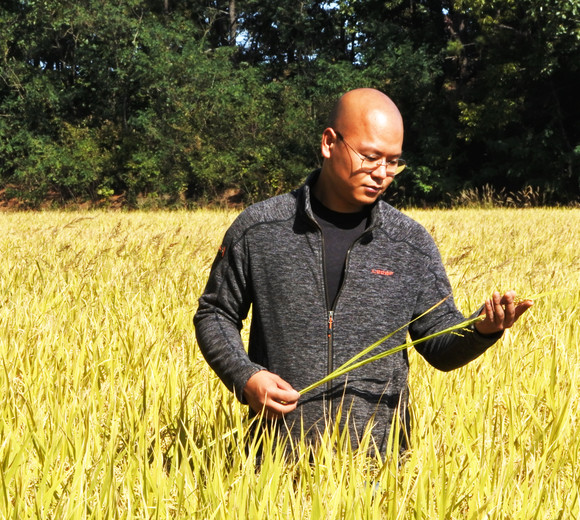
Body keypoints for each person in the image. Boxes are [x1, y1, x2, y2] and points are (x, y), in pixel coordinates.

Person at [193, 88, 532, 454]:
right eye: (370, 158)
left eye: (393, 162)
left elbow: (439, 345)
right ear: (329, 143)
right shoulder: (259, 229)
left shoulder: (409, 243)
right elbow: (215, 313)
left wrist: (481, 330)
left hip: (379, 468)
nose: (382, 174)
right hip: (275, 463)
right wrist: (246, 377)